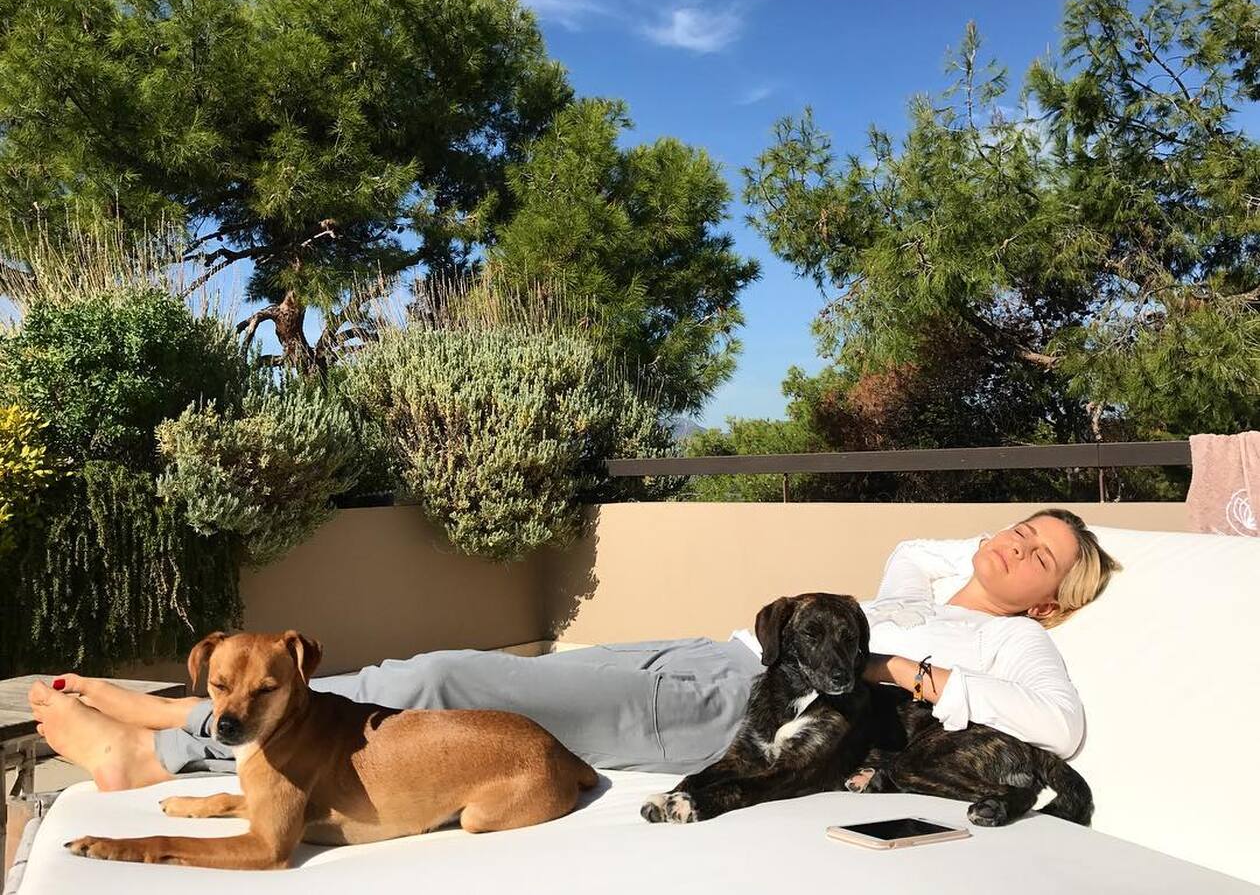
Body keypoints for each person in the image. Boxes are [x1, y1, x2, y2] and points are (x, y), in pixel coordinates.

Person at [27, 508, 1119, 790]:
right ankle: (189, 714)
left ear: (1050, 601)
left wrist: (910, 672)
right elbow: (928, 548)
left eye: (1042, 555)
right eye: (1022, 526)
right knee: (462, 674)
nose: (1015, 543)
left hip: (731, 713)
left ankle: (167, 741)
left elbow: (1059, 725)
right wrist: (975, 571)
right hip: (709, 654)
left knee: (445, 677)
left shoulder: (1008, 643)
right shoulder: (916, 578)